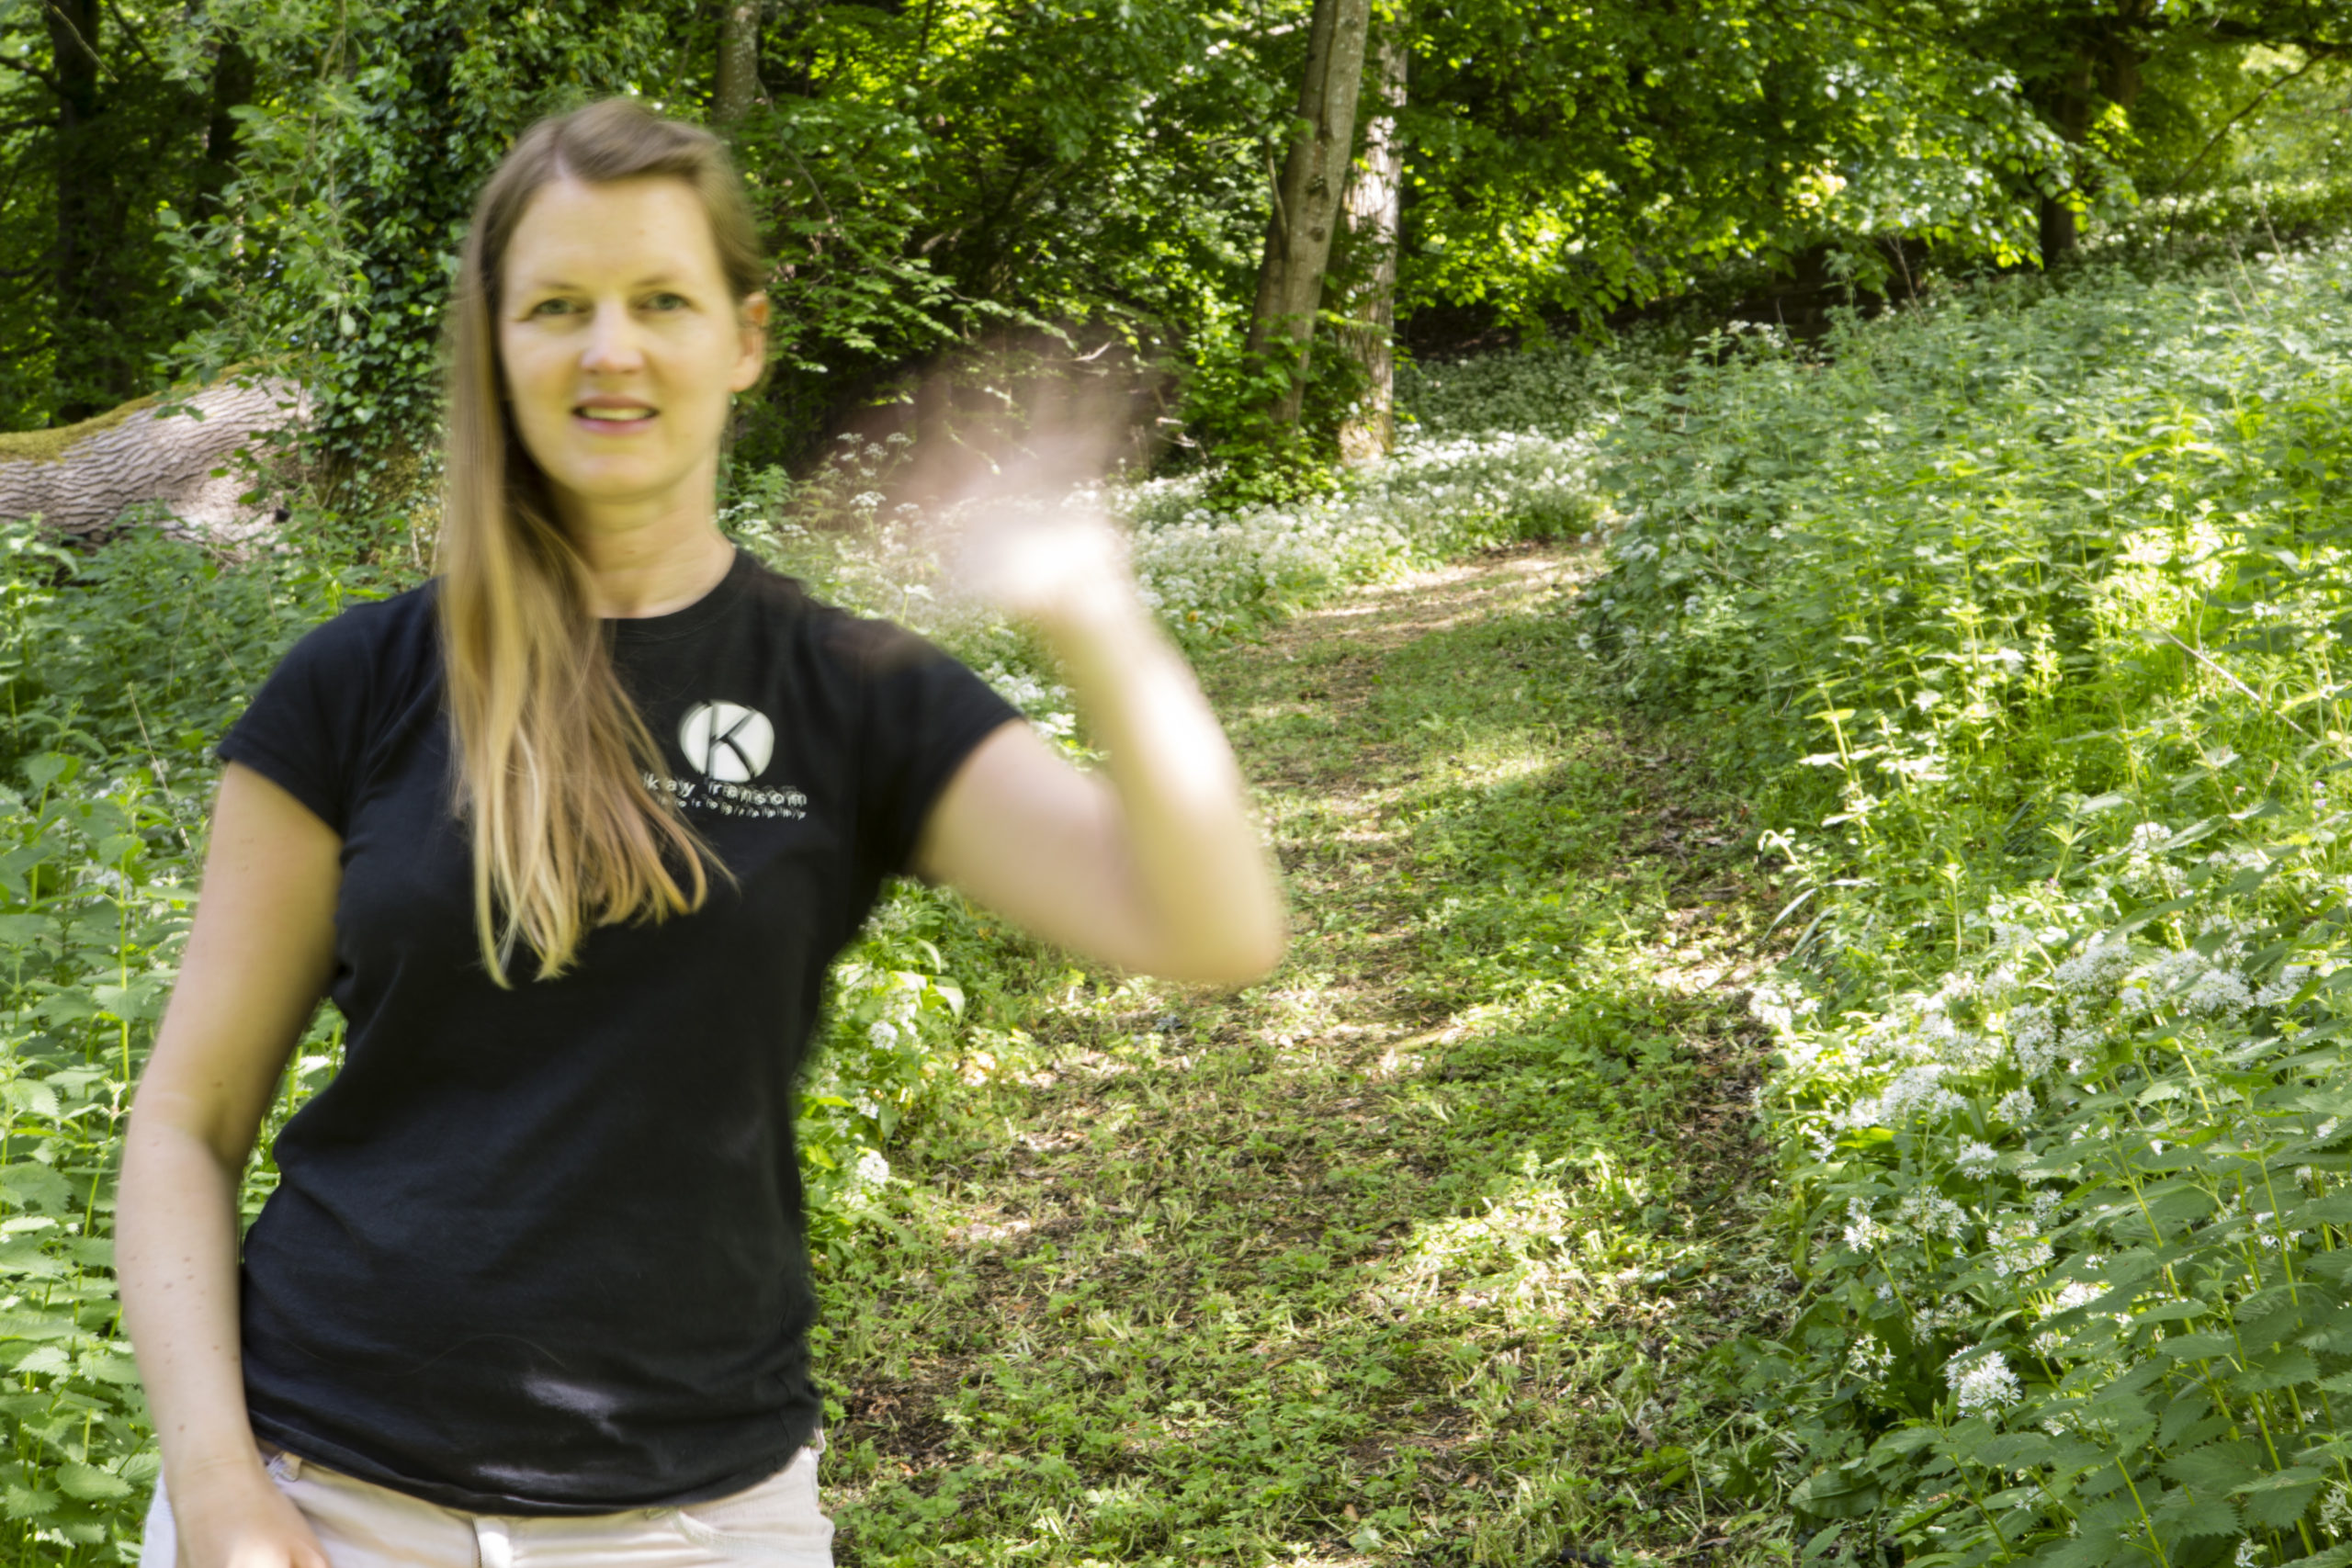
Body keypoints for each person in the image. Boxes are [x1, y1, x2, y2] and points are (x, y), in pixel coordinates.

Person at [115, 98, 1284, 1568]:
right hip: (317, 1499)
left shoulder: (848, 692)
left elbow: (1213, 927)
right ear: (496, 345)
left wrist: (1092, 608)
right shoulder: (356, 685)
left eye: (660, 300)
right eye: (558, 306)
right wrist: (218, 1488)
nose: (611, 349)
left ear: (745, 338)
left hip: (699, 1520)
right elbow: (189, 1118)